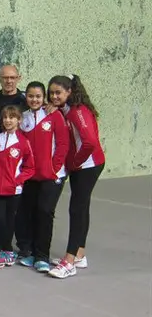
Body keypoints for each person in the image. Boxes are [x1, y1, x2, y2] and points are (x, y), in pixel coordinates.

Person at [46, 75, 105, 279]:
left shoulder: (78, 111)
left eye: (58, 93)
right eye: (51, 92)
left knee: (77, 209)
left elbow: (89, 142)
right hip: (82, 165)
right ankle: (80, 254)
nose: (54, 96)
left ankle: (69, 261)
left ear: (69, 92)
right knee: (81, 207)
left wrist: (75, 163)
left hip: (88, 165)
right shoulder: (66, 108)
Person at [16, 81, 69, 272]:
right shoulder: (23, 118)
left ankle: (42, 256)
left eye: (38, 96)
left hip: (52, 176)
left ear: (43, 97)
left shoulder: (55, 116)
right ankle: (29, 252)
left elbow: (63, 145)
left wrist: (53, 169)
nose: (34, 99)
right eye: (30, 96)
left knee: (45, 212)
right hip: (30, 175)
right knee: (28, 212)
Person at [0, 105, 34, 267]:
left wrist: (17, 180)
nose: (8, 120)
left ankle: (8, 252)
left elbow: (30, 167)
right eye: (5, 117)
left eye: (12, 117)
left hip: (13, 190)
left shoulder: (23, 142)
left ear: (19, 120)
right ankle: (1, 247)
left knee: (9, 221)